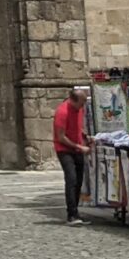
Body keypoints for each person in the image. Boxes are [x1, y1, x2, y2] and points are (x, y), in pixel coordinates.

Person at [52, 83, 91, 224]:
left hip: (77, 147)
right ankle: (71, 214)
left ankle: (76, 212)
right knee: (71, 179)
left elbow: (77, 127)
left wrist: (84, 136)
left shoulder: (78, 109)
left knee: (79, 181)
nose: (83, 106)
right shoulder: (62, 112)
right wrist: (79, 147)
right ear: (74, 100)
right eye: (82, 102)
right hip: (64, 149)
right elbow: (61, 137)